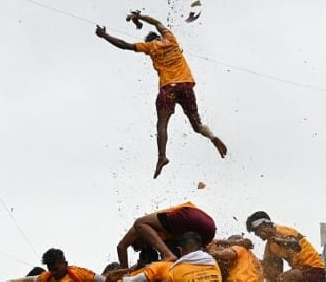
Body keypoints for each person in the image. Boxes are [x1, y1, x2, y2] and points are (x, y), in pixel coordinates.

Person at [96, 12, 228, 178]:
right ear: (159, 36)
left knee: (162, 124)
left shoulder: (150, 48)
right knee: (197, 126)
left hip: (168, 90)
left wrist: (105, 35)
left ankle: (162, 156)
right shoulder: (171, 39)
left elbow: (124, 45)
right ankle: (212, 137)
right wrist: (140, 16)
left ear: (149, 42)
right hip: (186, 86)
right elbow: (157, 22)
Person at [244, 211, 326, 282]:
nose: (257, 235)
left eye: (256, 231)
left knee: (284, 278)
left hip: (314, 269)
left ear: (264, 225)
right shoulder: (269, 245)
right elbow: (268, 268)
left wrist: (280, 240)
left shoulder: (282, 231)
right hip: (300, 275)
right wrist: (248, 259)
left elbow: (295, 244)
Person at [116, 201, 218, 266]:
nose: (151, 245)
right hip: (208, 230)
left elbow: (121, 247)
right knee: (179, 259)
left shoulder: (140, 228)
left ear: (138, 237)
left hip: (191, 216)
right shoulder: (166, 237)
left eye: (144, 244)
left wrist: (124, 273)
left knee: (139, 223)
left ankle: (167, 255)